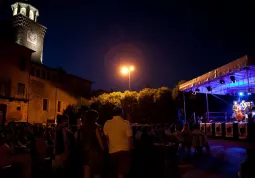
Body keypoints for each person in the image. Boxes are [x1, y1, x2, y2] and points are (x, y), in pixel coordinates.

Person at [104, 107, 133, 178]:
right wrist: (130, 150)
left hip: (112, 151)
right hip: (124, 151)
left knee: (113, 172)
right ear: (121, 113)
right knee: (122, 173)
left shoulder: (107, 123)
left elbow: (106, 137)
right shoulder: (125, 123)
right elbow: (130, 137)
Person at [80, 110, 105, 178]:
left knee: (86, 173)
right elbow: (100, 141)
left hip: (85, 152)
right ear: (94, 118)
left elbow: (80, 139)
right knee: (96, 173)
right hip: (94, 152)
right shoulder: (96, 127)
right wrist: (103, 151)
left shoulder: (82, 127)